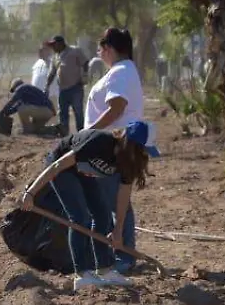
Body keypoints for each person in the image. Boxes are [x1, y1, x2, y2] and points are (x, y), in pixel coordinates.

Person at [19, 121, 160, 290]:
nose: (145, 155)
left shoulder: (127, 163)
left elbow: (123, 197)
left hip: (81, 172)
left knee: (103, 215)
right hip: (61, 168)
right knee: (79, 217)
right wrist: (30, 193)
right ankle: (82, 274)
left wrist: (118, 231)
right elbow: (57, 166)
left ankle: (105, 269)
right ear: (132, 146)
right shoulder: (99, 141)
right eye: (143, 150)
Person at [85, 27, 146, 273]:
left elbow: (117, 107)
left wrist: (89, 133)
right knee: (110, 201)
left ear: (109, 48)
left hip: (113, 144)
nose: (100, 54)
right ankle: (115, 252)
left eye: (100, 49)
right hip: (115, 142)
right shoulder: (124, 71)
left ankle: (124, 256)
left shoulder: (120, 73)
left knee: (114, 201)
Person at [44, 35, 88, 135]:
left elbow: (85, 62)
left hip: (75, 87)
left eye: (54, 45)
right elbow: (52, 73)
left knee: (78, 112)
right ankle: (65, 135)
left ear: (60, 44)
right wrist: (47, 86)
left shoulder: (75, 51)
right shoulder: (55, 57)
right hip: (62, 90)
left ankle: (81, 134)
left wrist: (85, 75)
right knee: (62, 113)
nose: (52, 48)